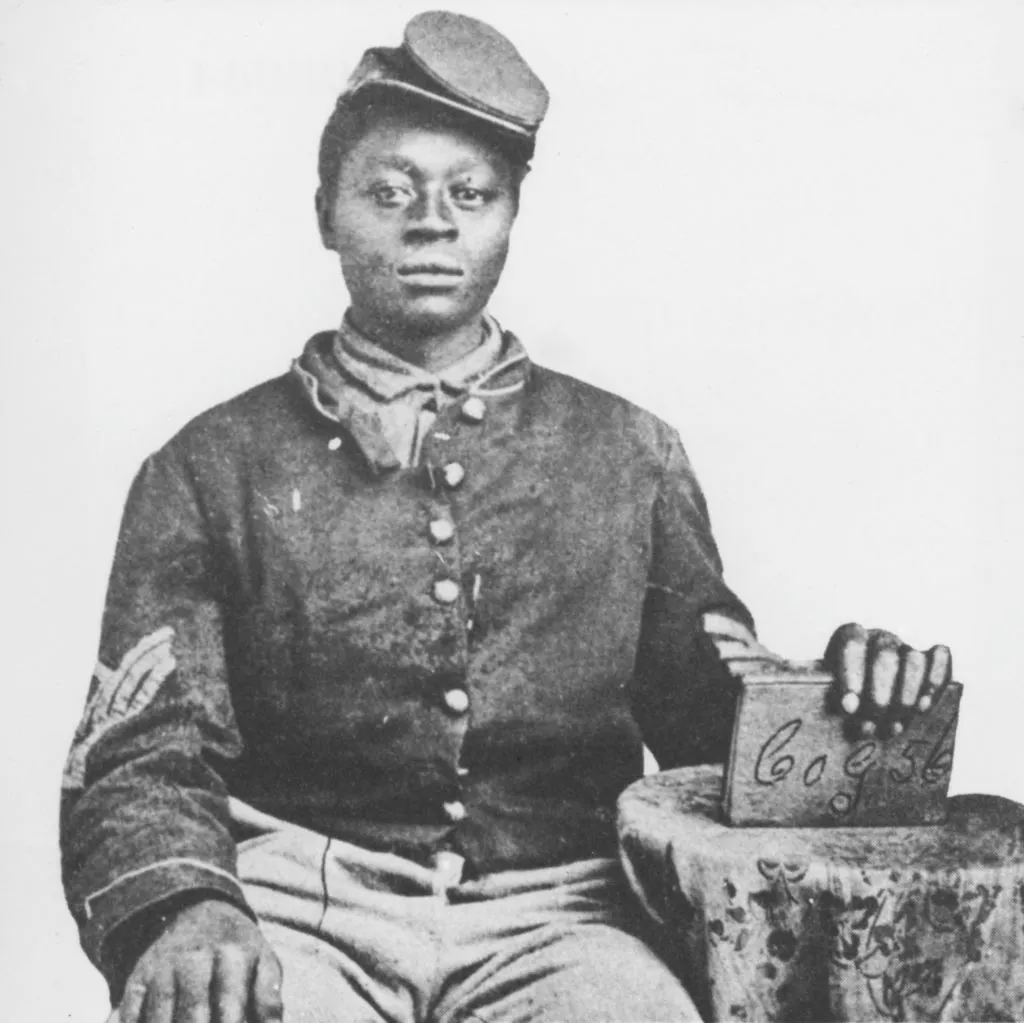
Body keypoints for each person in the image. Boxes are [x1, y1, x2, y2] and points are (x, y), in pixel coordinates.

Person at [60, 12, 953, 1023]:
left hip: (566, 916)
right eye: (388, 191)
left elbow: (711, 724)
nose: (431, 222)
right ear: (323, 213)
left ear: (511, 215)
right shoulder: (209, 464)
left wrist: (849, 697)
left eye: (470, 194)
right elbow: (142, 749)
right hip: (296, 911)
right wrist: (182, 904)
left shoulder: (629, 453)